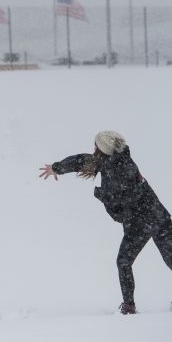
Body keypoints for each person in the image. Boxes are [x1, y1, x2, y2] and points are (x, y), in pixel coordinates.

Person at [39, 130, 172, 314]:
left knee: (133, 261)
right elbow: (80, 160)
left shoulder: (124, 168)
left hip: (148, 220)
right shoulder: (109, 160)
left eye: (96, 146)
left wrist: (101, 194)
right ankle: (129, 305)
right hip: (151, 217)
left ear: (103, 150)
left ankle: (129, 307)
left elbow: (120, 201)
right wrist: (56, 167)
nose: (93, 148)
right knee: (126, 261)